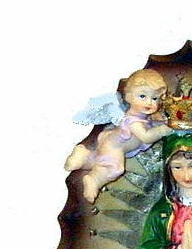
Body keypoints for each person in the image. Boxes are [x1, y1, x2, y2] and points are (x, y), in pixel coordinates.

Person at [64, 68, 173, 202]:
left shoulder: (142, 117)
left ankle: (84, 156)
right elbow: (146, 137)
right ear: (128, 97)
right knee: (115, 169)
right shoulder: (133, 121)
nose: (149, 102)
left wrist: (160, 121)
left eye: (154, 98)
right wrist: (162, 130)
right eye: (142, 96)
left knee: (102, 159)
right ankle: (94, 180)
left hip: (112, 142)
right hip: (115, 147)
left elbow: (151, 123)